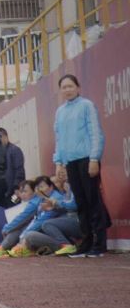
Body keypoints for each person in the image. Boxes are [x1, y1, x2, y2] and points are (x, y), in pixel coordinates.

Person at [53, 73, 109, 257]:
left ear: (78, 87)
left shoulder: (87, 105)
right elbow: (59, 139)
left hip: (86, 158)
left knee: (93, 201)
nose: (67, 90)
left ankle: (99, 244)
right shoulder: (60, 112)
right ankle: (86, 243)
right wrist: (59, 163)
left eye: (70, 86)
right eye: (64, 87)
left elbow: (96, 133)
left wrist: (94, 158)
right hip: (70, 162)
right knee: (81, 203)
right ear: (60, 91)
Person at [20, 175, 84, 255]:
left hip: (78, 222)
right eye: (38, 188)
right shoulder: (47, 198)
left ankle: (65, 245)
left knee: (41, 228)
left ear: (50, 187)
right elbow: (37, 219)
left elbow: (73, 205)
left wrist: (55, 204)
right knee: (31, 234)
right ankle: (59, 246)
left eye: (41, 187)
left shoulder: (57, 196)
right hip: (65, 228)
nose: (39, 190)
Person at [0, 179, 38, 257]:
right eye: (21, 191)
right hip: (30, 231)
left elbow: (22, 218)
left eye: (25, 191)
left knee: (17, 227)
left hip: (35, 232)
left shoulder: (34, 203)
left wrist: (7, 228)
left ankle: (3, 248)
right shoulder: (27, 202)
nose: (22, 194)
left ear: (34, 191)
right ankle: (3, 248)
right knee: (16, 227)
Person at [0, 129, 25, 202]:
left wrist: (16, 187)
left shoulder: (14, 150)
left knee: (14, 209)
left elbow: (19, 171)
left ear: (5, 137)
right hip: (4, 193)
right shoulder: (0, 153)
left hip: (14, 192)